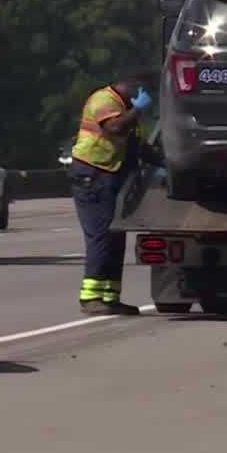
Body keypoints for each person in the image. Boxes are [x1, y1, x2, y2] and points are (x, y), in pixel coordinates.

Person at [70, 75, 159, 315]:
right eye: (142, 89)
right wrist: (137, 111)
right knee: (101, 236)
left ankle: (110, 297)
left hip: (110, 176)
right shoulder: (104, 100)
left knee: (116, 237)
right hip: (92, 175)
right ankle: (91, 298)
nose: (144, 95)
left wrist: (165, 162)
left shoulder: (126, 109)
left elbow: (136, 146)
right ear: (130, 85)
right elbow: (114, 128)